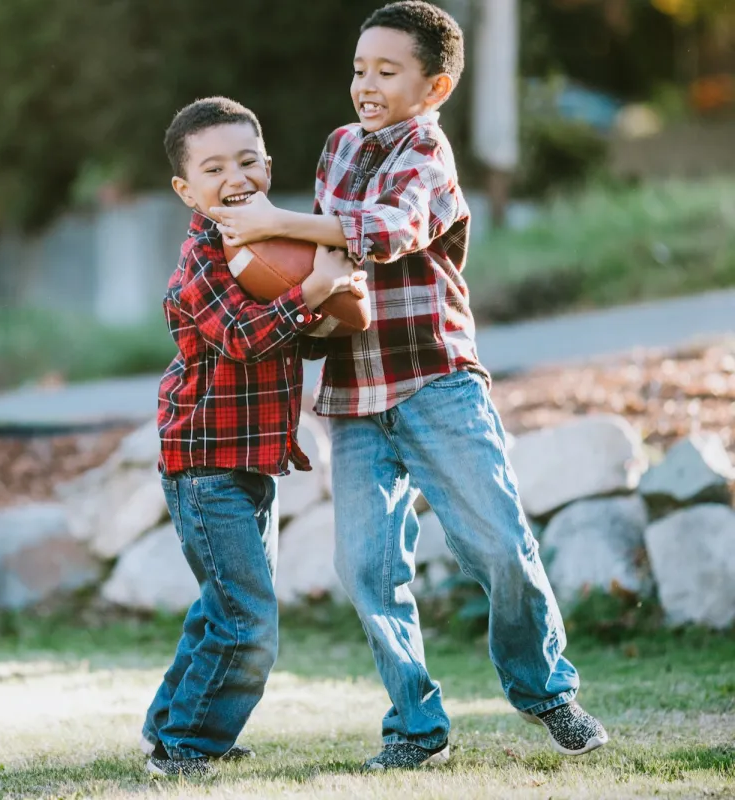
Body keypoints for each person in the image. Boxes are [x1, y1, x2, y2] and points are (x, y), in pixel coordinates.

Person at [212, 1, 608, 771]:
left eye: (387, 72)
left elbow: (385, 233)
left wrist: (274, 220)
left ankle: (545, 691)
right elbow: (333, 267)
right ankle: (416, 725)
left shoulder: (427, 151)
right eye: (360, 68)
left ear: (435, 87)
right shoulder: (335, 148)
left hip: (435, 383)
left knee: (499, 547)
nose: (366, 84)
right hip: (354, 397)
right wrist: (309, 306)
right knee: (366, 569)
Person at [142, 96, 366, 778]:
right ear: (187, 189)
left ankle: (169, 728)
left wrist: (329, 304)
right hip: (204, 467)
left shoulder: (273, 247)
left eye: (247, 160)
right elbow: (243, 338)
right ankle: (188, 746)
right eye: (213, 168)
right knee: (249, 623)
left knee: (223, 606)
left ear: (268, 166)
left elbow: (298, 338)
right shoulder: (200, 267)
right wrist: (313, 292)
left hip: (252, 463)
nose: (234, 176)